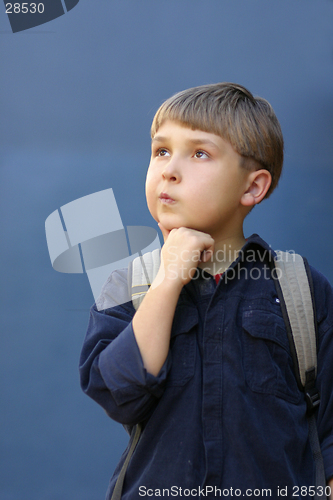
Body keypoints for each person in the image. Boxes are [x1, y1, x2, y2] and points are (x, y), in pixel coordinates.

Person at [79, 83, 333, 499]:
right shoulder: (130, 285)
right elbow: (118, 393)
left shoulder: (299, 288)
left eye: (199, 153)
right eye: (161, 151)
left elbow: (330, 435)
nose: (169, 170)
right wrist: (167, 281)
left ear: (252, 188)